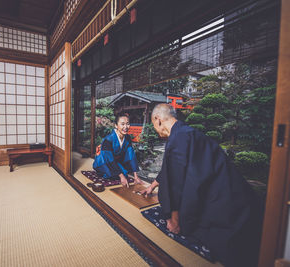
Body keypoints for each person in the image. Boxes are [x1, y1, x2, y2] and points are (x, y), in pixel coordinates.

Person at [140, 104, 262, 267]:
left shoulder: (177, 138)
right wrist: (153, 185)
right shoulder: (187, 132)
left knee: (213, 235)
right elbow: (172, 168)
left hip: (218, 199)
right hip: (235, 193)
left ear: (158, 120)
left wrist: (174, 218)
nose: (156, 130)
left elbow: (176, 180)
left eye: (154, 126)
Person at [93, 112, 143, 187]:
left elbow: (131, 155)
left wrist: (136, 176)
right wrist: (121, 176)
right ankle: (101, 171)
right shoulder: (108, 139)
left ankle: (118, 172)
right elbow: (108, 159)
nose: (126, 127)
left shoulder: (127, 138)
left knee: (124, 173)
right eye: (122, 124)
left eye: (127, 124)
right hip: (103, 161)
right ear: (116, 125)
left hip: (115, 161)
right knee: (116, 176)